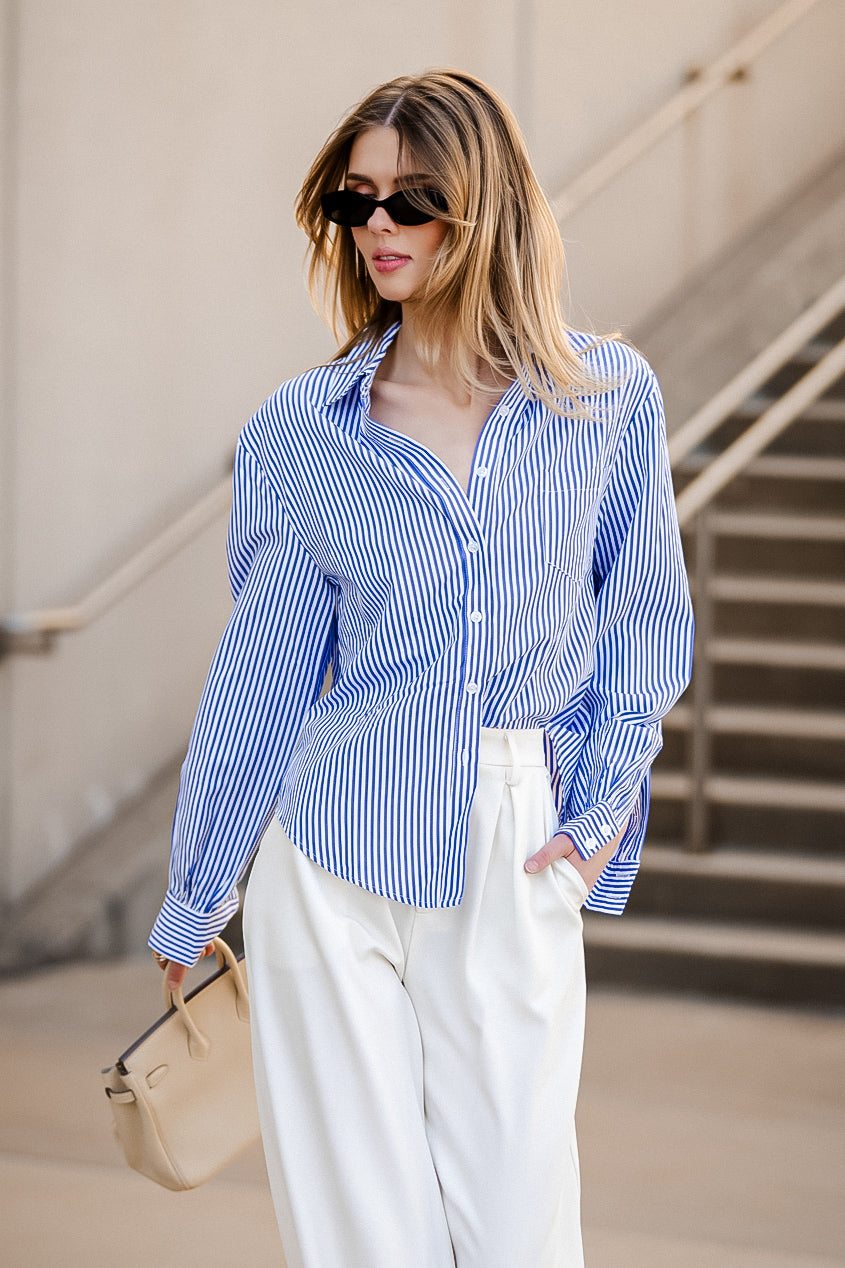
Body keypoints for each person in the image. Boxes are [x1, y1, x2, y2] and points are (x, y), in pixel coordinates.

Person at [149, 69, 693, 1267]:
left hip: (516, 839)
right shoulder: (301, 430)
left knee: (515, 1230)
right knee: (363, 1239)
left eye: (410, 199)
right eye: (355, 201)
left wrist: (594, 814)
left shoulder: (604, 399)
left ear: (481, 205)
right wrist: (199, 889)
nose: (377, 226)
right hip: (330, 854)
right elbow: (262, 679)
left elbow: (644, 630)